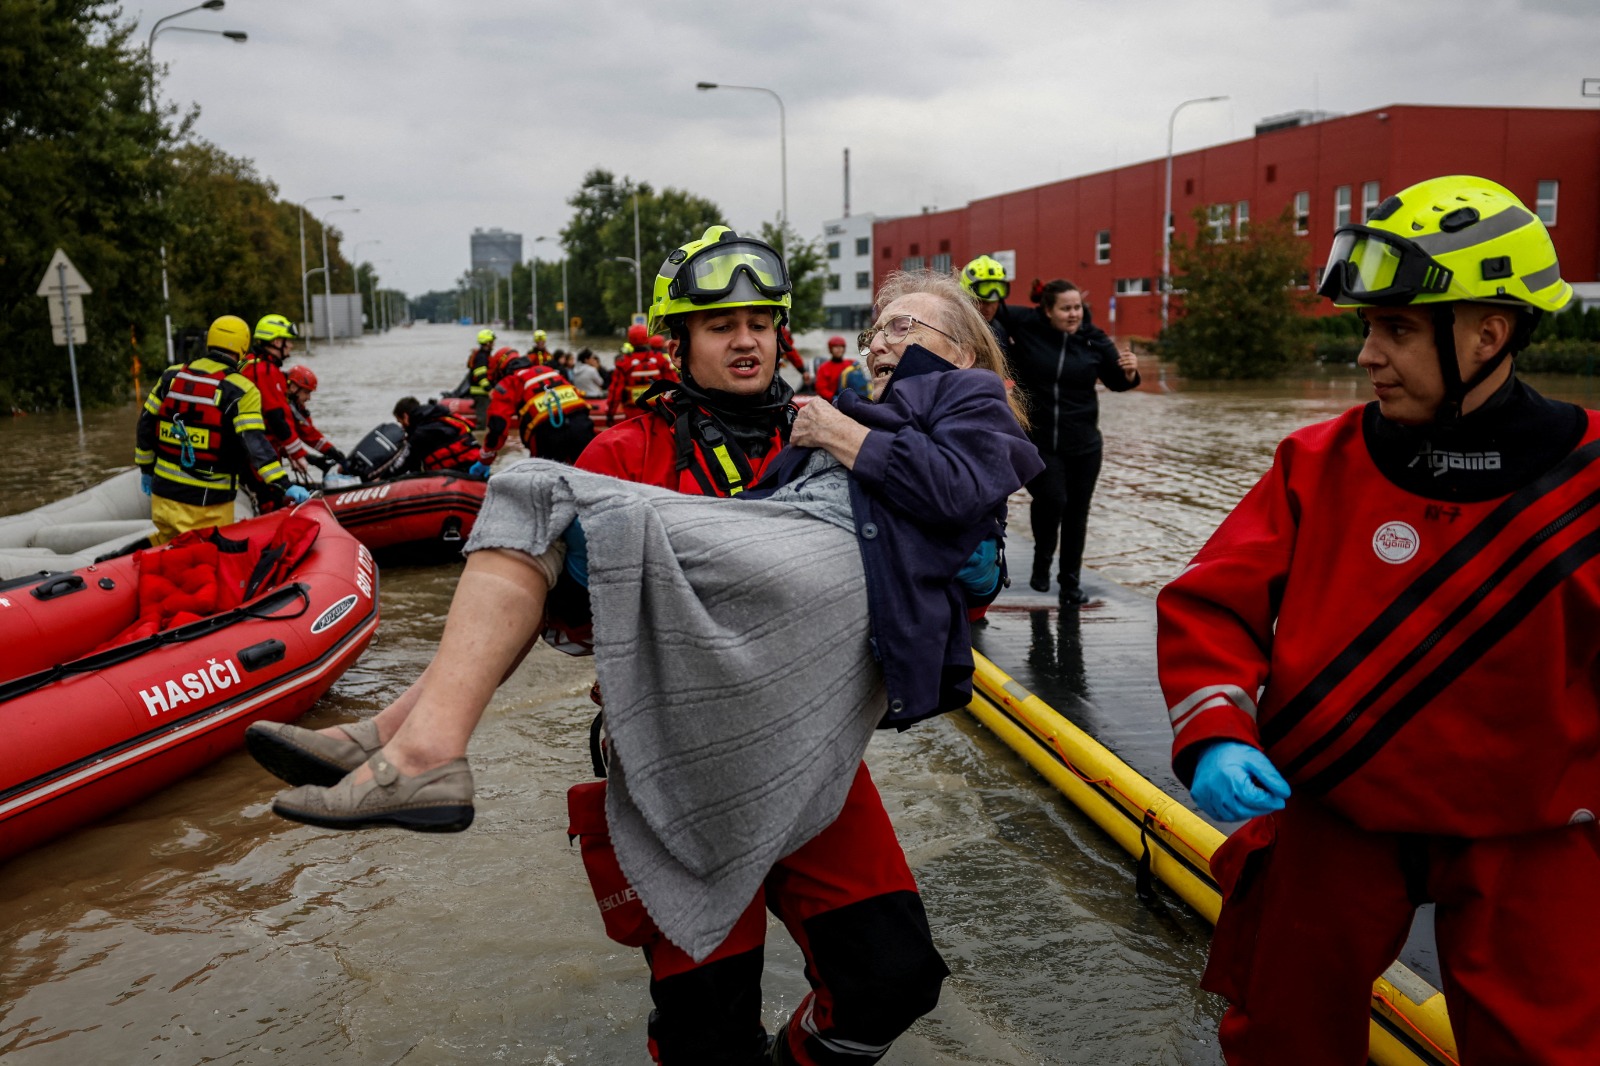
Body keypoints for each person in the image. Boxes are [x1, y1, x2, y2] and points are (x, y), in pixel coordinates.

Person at [248, 231, 1040, 1065]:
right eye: (718, 325)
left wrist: (970, 567)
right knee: (706, 1035)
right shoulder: (626, 454)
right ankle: (404, 739)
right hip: (677, 755)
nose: (745, 341)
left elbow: (947, 532)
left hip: (813, 750)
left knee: (894, 980)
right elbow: (546, 613)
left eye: (760, 323)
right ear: (679, 344)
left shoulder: (833, 432)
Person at [1156, 176, 1596, 1065]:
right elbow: (1211, 603)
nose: (1367, 355)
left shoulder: (1589, 483)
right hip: (1332, 809)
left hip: (1534, 829)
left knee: (1548, 1048)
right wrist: (1216, 733)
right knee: (1282, 1031)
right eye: (1369, 328)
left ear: (1488, 332)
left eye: (1394, 328)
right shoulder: (1316, 463)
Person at [1005, 278, 1139, 605]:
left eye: (1077, 307)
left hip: (1085, 446)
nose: (1073, 314)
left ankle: (1070, 585)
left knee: (1077, 514)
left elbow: (1117, 382)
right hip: (1039, 441)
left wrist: (1131, 372)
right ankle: (1042, 558)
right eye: (1065, 308)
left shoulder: (1094, 341)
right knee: (1052, 500)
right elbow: (991, 312)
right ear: (1048, 310)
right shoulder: (1026, 327)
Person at [134, 315, 310, 543]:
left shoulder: (171, 375)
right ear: (243, 347)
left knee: (167, 547)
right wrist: (283, 484)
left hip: (162, 496)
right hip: (207, 505)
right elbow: (255, 445)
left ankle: (112, 562)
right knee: (205, 560)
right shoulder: (241, 389)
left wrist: (146, 469)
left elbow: (145, 424)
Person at [470, 345, 594, 472]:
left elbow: (497, 425)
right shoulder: (548, 370)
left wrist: (485, 459)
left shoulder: (510, 382)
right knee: (587, 478)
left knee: (546, 485)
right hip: (583, 427)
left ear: (500, 370)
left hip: (547, 436)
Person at [238, 313, 316, 495]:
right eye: (287, 340)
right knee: (269, 495)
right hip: (259, 448)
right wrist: (297, 455)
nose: (290, 345)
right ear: (275, 341)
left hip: (247, 446)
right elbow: (277, 418)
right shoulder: (266, 371)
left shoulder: (249, 363)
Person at [380, 396, 483, 476]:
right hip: (476, 467)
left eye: (400, 421)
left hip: (459, 474)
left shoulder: (421, 433)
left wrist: (382, 478)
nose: (402, 426)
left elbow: (405, 462)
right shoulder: (443, 417)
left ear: (406, 416)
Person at [607, 323, 679, 426]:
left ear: (630, 340)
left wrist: (610, 414)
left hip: (633, 414)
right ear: (647, 338)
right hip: (659, 410)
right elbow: (673, 383)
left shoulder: (624, 362)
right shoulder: (660, 359)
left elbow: (615, 391)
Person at [284, 364, 346, 471]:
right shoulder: (279, 407)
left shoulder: (297, 408)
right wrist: (309, 458)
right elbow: (280, 440)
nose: (309, 398)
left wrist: (331, 451)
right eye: (306, 392)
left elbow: (309, 433)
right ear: (293, 387)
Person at [959, 254, 1012, 353]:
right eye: (981, 301)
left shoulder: (999, 331)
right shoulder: (952, 330)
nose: (989, 308)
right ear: (965, 298)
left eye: (993, 302)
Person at [466, 328, 495, 427]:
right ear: (487, 343)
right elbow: (481, 377)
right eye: (492, 342)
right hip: (481, 394)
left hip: (481, 393)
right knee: (482, 423)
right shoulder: (482, 357)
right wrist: (490, 390)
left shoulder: (483, 355)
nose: (493, 344)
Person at [812, 336, 854, 402]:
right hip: (832, 400)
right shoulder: (823, 368)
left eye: (841, 347)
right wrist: (834, 397)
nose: (839, 349)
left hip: (849, 398)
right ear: (830, 349)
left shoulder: (850, 364)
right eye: (836, 347)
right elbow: (821, 389)